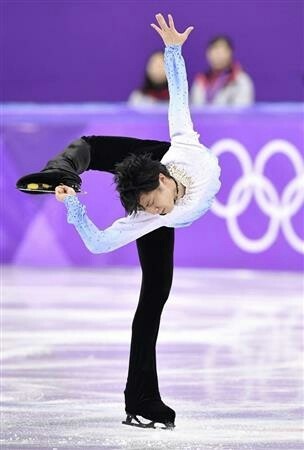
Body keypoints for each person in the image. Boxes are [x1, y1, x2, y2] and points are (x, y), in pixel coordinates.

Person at [16, 13, 221, 430]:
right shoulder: (147, 215)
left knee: (154, 299)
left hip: (163, 153)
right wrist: (74, 207)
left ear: (163, 182)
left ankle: (140, 398)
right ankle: (63, 172)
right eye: (143, 208)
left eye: (152, 202)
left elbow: (179, 98)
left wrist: (173, 49)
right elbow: (99, 243)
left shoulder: (185, 150)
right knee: (89, 148)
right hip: (153, 167)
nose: (153, 211)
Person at [190, 35, 255, 106]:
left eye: (223, 51)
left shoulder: (241, 80)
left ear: (230, 53)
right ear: (208, 54)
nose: (218, 55)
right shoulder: (200, 81)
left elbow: (241, 112)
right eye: (215, 50)